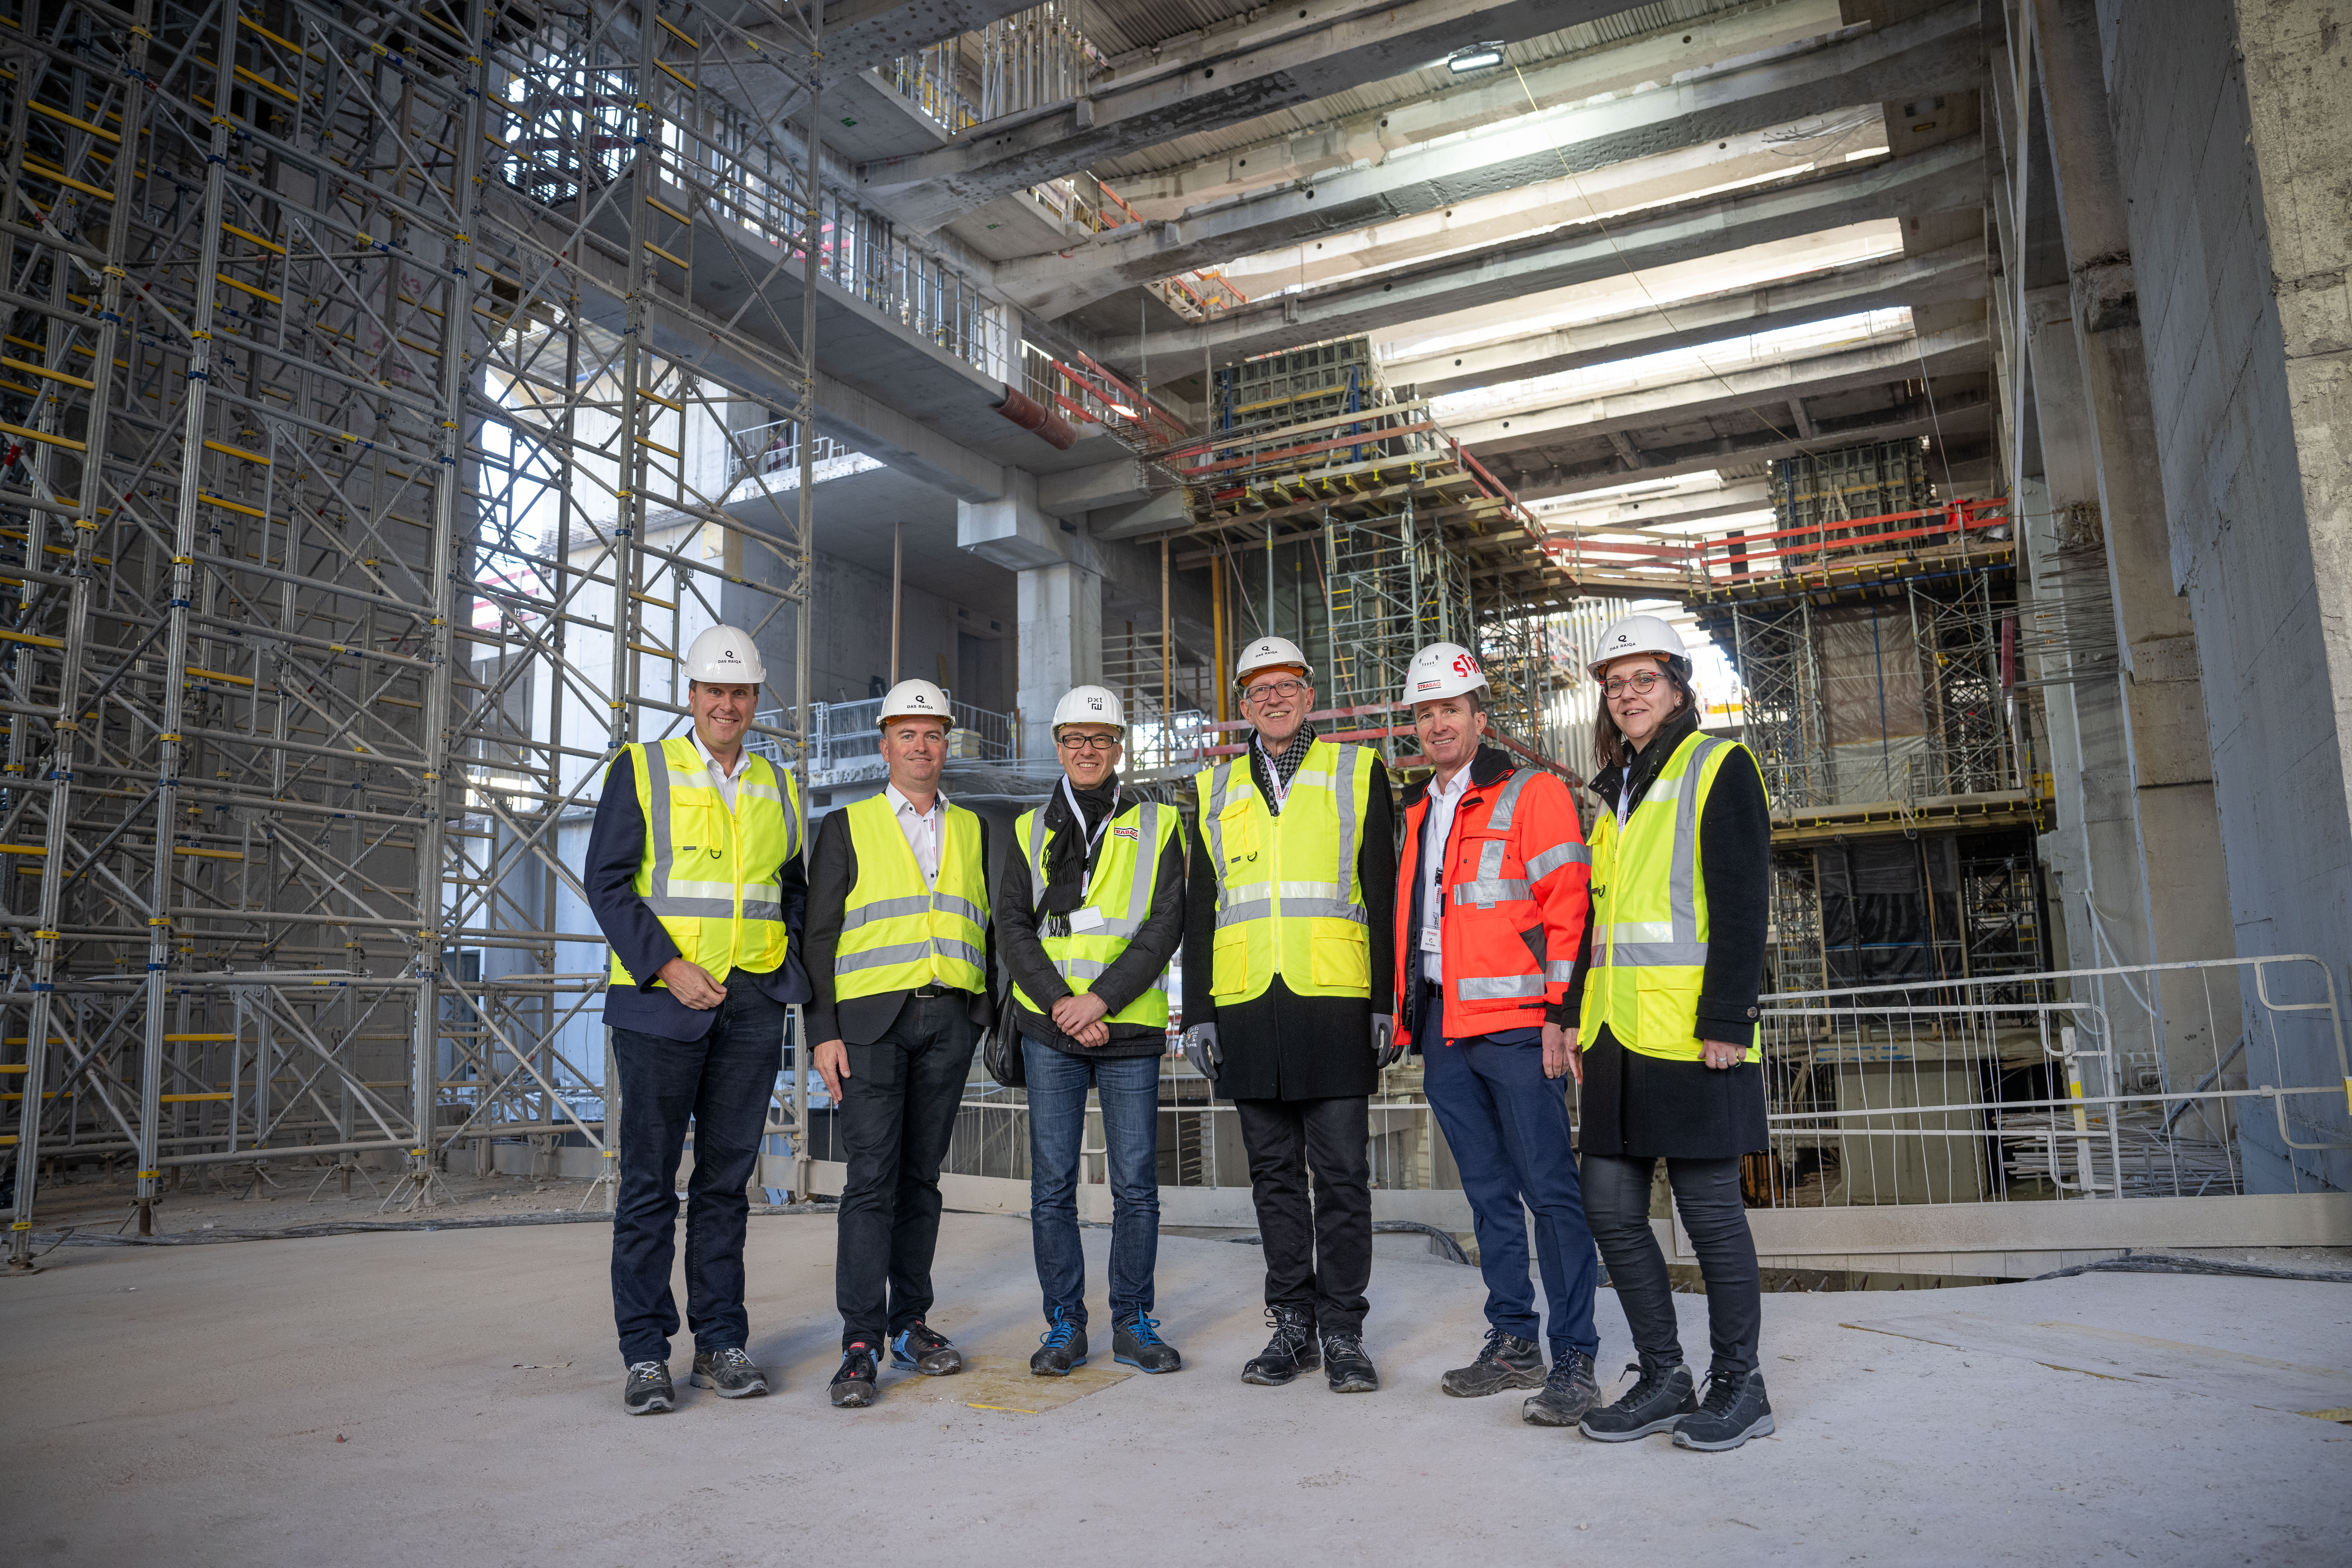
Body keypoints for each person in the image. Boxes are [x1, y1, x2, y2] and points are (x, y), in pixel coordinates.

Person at [585, 625, 809, 1417]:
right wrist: (667, 965)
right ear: (691, 697)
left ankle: (720, 1342)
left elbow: (791, 890)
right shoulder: (644, 769)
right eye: (714, 691)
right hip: (659, 1004)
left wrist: (791, 982)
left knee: (724, 1184)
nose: (727, 704)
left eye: (740, 692)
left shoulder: (779, 785)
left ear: (755, 700)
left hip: (748, 1003)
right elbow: (607, 882)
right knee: (649, 1184)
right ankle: (646, 1354)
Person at [1566, 614, 1776, 1451]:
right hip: (1616, 1033)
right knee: (1608, 1206)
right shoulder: (1615, 788)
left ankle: (1740, 1386)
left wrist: (1726, 1015)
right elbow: (1602, 920)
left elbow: (1738, 900)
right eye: (1615, 685)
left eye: (1642, 680)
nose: (1627, 695)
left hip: (1693, 1031)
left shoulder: (1715, 763)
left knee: (1709, 1210)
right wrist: (1580, 1021)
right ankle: (1662, 1375)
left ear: (1678, 685)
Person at [1389, 643, 1604, 1426]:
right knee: (1486, 1194)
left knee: (1550, 1190)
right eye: (1425, 712)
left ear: (1480, 717)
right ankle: (1515, 1341)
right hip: (1446, 1026)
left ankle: (1575, 1355)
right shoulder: (1419, 810)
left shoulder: (1532, 792)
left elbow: (1568, 909)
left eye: (1451, 709)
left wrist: (1558, 1014)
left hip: (1518, 1027)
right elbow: (1417, 921)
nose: (1438, 723)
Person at [1181, 635, 1397, 1394]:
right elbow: (1201, 907)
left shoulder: (1357, 771)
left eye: (1287, 687)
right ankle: (1292, 1325)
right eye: (1257, 690)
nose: (1273, 700)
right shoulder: (1211, 788)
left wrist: (1386, 1001)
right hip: (1246, 1006)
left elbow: (1384, 890)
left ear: (1309, 695)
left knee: (1341, 1175)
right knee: (1273, 1176)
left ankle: (1342, 1329)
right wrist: (1197, 1011)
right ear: (1243, 706)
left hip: (1334, 999)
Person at [804, 678, 994, 1409]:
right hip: (869, 1029)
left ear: (947, 745)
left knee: (921, 1181)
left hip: (947, 1023)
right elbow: (818, 937)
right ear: (885, 747)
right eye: (908, 735)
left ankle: (912, 1323)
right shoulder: (845, 826)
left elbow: (979, 919)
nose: (922, 746)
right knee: (872, 1182)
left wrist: (978, 1013)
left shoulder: (973, 829)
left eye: (934, 734)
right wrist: (823, 1032)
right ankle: (860, 1342)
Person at [995, 685, 1187, 1377]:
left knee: (1136, 1183)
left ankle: (1134, 1320)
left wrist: (1099, 1001)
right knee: (1053, 1184)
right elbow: (1013, 930)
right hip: (1051, 1033)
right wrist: (1060, 1005)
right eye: (1075, 739)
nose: (1087, 751)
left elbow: (1164, 926)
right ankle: (1064, 1324)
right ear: (1058, 745)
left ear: (1119, 749)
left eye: (1101, 740)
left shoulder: (1161, 825)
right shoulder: (1024, 830)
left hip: (1127, 1027)